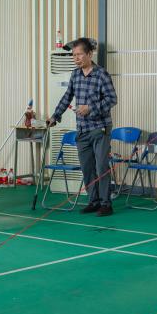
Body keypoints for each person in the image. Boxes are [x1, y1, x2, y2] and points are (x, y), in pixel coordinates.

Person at [46, 37, 118, 216]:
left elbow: (112, 99)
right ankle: (93, 201)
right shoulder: (75, 75)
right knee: (87, 168)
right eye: (74, 55)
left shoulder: (101, 74)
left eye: (79, 54)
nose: (76, 58)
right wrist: (55, 115)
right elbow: (67, 97)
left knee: (101, 167)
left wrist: (90, 108)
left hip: (100, 128)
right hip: (82, 130)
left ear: (89, 54)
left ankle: (106, 204)